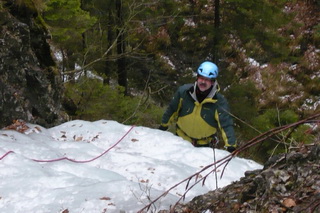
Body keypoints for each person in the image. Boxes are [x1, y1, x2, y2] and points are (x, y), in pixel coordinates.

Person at [159, 61, 236, 153]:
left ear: (212, 82)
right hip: (180, 141)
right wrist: (163, 126)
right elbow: (172, 110)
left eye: (207, 79)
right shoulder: (184, 92)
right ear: (197, 78)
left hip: (204, 148)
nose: (203, 82)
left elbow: (226, 125)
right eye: (201, 78)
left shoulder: (219, 102)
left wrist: (231, 146)